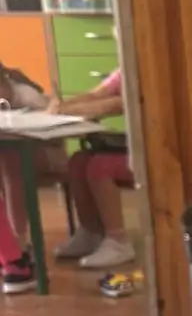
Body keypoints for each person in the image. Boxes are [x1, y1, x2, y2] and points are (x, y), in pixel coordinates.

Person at [48, 67, 136, 271]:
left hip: (159, 152)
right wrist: (62, 106)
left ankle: (119, 241)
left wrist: (66, 110)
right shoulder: (125, 69)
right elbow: (97, 94)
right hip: (137, 146)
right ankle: (91, 232)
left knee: (100, 167)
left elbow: (118, 104)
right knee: (78, 162)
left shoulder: (151, 69)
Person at [0, 61, 54, 294]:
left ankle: (16, 251)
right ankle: (14, 258)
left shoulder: (26, 94)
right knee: (9, 160)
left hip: (39, 151)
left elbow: (55, 127)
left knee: (12, 162)